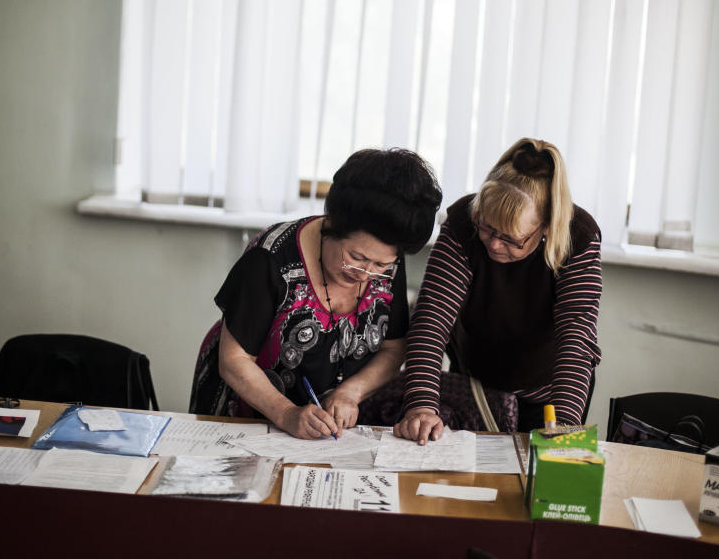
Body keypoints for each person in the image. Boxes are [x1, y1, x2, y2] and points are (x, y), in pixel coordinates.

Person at [190, 148, 442, 439]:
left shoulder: (386, 265)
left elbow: (393, 348)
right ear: (332, 222)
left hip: (329, 432)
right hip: (246, 418)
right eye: (356, 257)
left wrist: (350, 393)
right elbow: (234, 360)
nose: (365, 274)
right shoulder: (270, 257)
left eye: (381, 265)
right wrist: (286, 413)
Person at [393, 138, 602, 444]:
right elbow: (431, 320)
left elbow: (576, 338)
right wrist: (421, 405)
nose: (492, 244)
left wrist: (564, 424)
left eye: (510, 239)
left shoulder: (578, 237)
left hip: (551, 390)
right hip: (478, 381)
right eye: (486, 228)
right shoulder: (464, 222)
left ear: (545, 227)